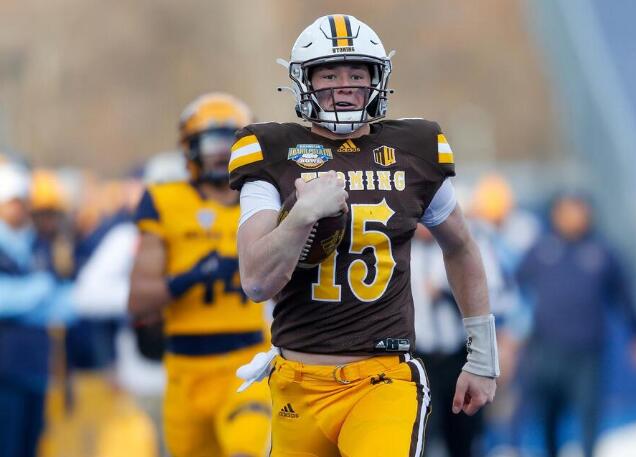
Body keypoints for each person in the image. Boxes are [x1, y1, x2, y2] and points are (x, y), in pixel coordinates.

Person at [230, 15, 499, 456]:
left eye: (357, 73)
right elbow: (257, 280)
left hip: (383, 378)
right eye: (329, 74)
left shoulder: (415, 148)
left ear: (378, 80)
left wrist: (483, 358)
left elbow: (462, 248)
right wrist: (301, 216)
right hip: (298, 383)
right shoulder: (268, 151)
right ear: (304, 82)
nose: (344, 86)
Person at [128, 93, 271, 457]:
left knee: (246, 449)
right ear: (190, 147)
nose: (222, 152)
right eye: (212, 142)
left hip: (248, 362)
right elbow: (138, 299)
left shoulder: (267, 198)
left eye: (232, 142)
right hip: (185, 370)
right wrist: (189, 277)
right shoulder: (165, 201)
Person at [515, 191, 636, 457]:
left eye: (580, 210)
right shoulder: (541, 250)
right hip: (546, 349)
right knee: (547, 416)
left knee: (588, 413)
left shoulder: (602, 252)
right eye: (569, 210)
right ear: (557, 215)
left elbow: (624, 297)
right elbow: (513, 289)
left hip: (587, 352)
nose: (576, 217)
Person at [0, 161, 73, 457]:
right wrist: (37, 291)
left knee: (31, 447)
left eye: (22, 201)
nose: (20, 208)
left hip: (36, 367)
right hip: (4, 371)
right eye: (13, 202)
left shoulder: (41, 244)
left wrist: (31, 300)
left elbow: (61, 305)